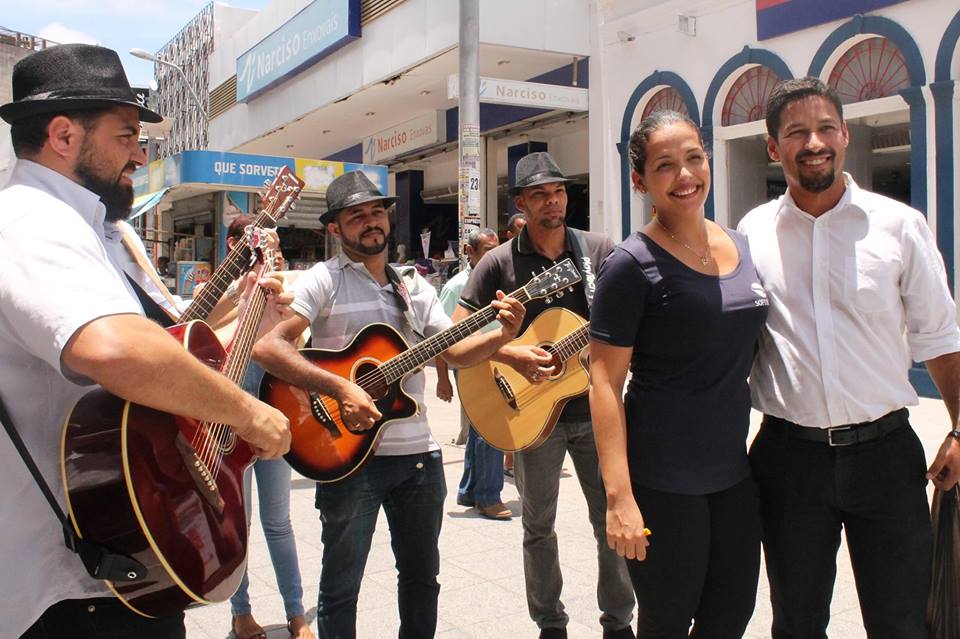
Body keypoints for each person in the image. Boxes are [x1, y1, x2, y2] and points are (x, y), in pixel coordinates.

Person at [0, 44, 291, 639]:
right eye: (127, 134)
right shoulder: (31, 221)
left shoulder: (95, 231)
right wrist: (249, 415)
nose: (140, 152)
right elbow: (113, 348)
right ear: (62, 134)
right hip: (66, 589)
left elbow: (163, 348)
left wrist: (248, 321)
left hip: (118, 558)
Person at [253, 170, 527, 639]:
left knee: (422, 582)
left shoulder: (412, 286)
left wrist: (503, 333)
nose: (371, 222)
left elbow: (454, 350)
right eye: (356, 215)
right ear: (335, 229)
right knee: (342, 587)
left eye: (377, 211)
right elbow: (269, 349)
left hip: (417, 458)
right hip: (345, 460)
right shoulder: (325, 280)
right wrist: (342, 389)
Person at [738, 76, 960, 638]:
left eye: (826, 128)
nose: (814, 142)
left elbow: (940, 336)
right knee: (797, 622)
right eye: (797, 132)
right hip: (790, 461)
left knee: (902, 622)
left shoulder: (899, 226)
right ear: (773, 147)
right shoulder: (753, 233)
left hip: (886, 458)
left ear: (843, 134)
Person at [589, 110, 766, 638]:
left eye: (694, 158)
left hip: (733, 471)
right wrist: (618, 498)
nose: (685, 175)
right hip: (663, 477)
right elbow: (602, 381)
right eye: (665, 166)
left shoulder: (742, 243)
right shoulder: (630, 263)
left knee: (730, 616)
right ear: (641, 181)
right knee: (667, 621)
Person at [454, 152, 635, 639]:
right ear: (520, 203)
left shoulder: (598, 251)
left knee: (611, 522)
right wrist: (512, 355)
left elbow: (627, 320)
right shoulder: (498, 263)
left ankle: (619, 623)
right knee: (538, 527)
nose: (552, 201)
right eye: (539, 194)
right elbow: (454, 344)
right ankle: (550, 624)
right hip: (533, 418)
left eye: (557, 191)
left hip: (597, 409)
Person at [224, 216, 315, 639]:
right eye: (263, 247)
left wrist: (284, 311)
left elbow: (295, 355)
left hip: (276, 419)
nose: (271, 255)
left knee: (278, 522)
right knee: (237, 523)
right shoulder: (225, 296)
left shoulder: (284, 295)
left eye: (275, 247)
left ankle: (296, 613)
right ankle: (240, 613)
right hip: (232, 425)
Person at [435, 227, 511, 520]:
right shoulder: (457, 286)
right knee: (491, 426)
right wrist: (443, 378)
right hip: (471, 363)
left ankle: (470, 490)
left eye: (497, 248)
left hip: (499, 361)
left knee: (481, 428)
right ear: (470, 252)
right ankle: (489, 496)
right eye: (487, 250)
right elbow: (439, 337)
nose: (494, 254)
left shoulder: (500, 280)